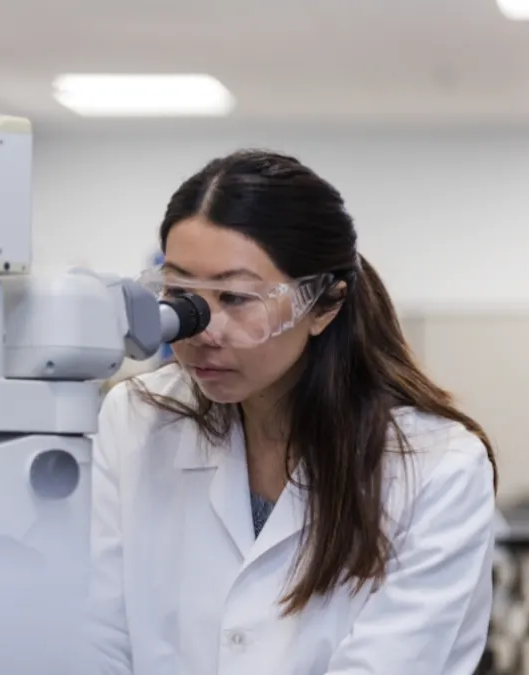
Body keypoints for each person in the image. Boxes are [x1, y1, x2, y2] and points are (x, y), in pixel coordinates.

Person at [89, 149, 498, 675]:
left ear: (323, 305)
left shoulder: (438, 467)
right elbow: (99, 636)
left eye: (236, 298)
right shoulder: (138, 419)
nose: (203, 331)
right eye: (181, 294)